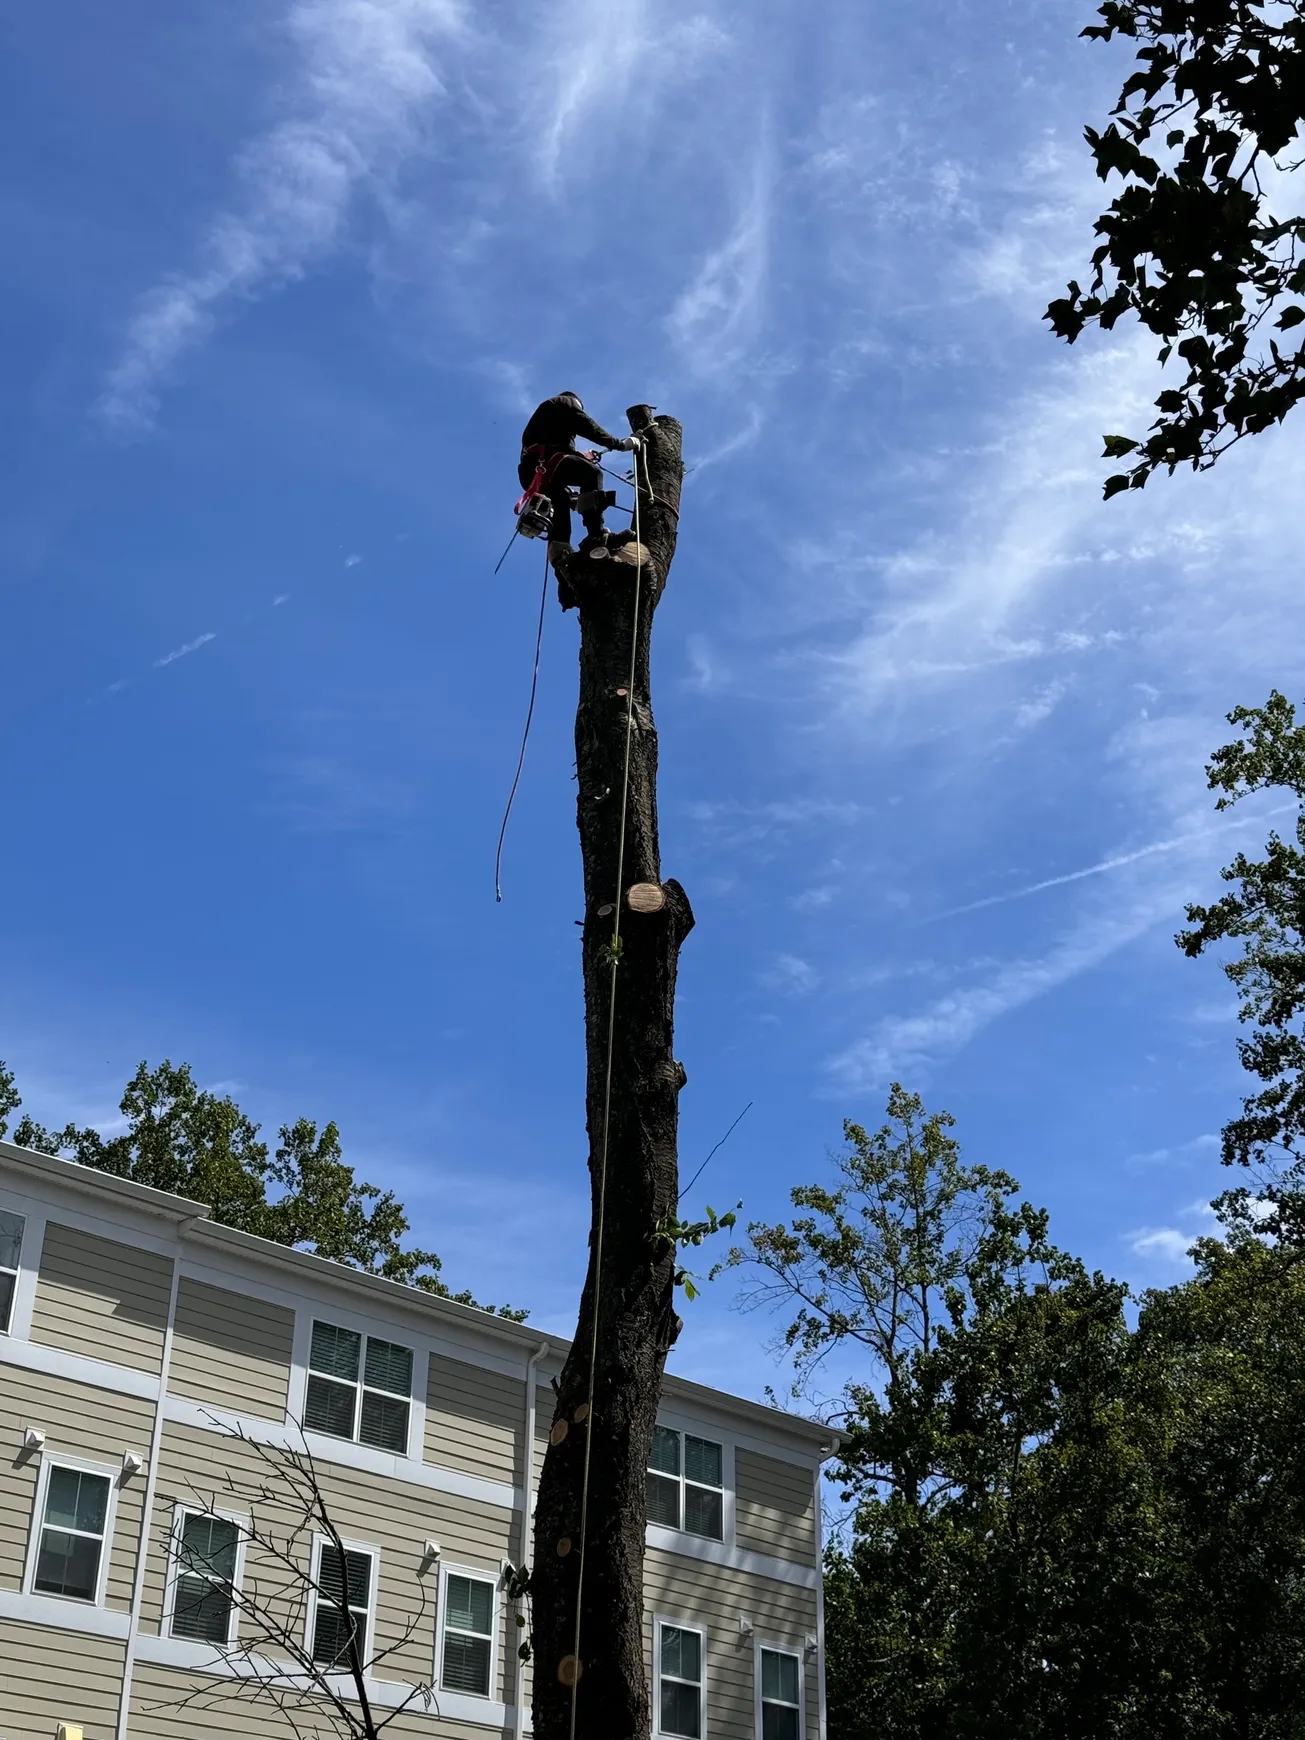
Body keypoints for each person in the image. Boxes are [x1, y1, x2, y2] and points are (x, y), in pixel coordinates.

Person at [518, 392, 637, 563]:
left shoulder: (547, 423)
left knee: (560, 503)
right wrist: (620, 444)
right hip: (547, 463)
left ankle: (560, 556)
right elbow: (586, 425)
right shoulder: (565, 402)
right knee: (591, 474)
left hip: (532, 473)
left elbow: (563, 450)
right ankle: (597, 536)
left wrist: (576, 495)